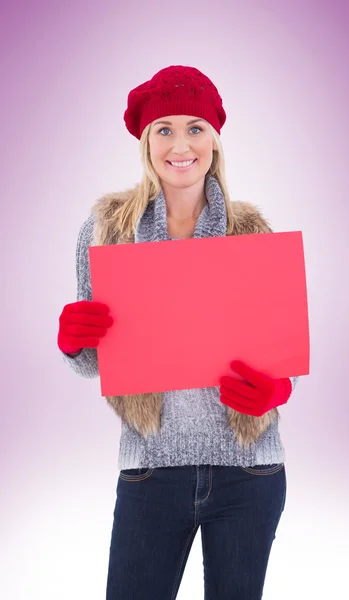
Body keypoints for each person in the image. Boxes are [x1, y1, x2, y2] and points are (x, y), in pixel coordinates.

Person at [57, 65, 299, 600]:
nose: (180, 144)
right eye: (164, 129)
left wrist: (276, 389)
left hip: (249, 472)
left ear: (214, 138)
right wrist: (75, 339)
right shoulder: (105, 232)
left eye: (195, 127)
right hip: (151, 471)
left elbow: (283, 361)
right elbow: (92, 362)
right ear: (145, 141)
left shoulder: (251, 234)